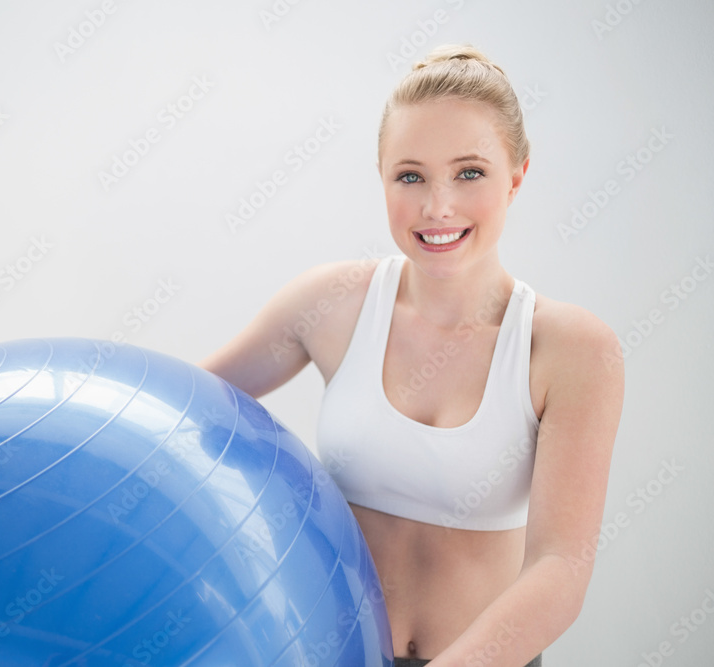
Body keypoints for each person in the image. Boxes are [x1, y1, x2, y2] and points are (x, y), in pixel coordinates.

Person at [198, 44, 624, 666]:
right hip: (328, 653)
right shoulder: (332, 303)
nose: (437, 206)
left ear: (518, 176)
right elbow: (182, 409)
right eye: (410, 175)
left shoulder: (572, 349)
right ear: (382, 175)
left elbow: (561, 566)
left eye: (470, 172)